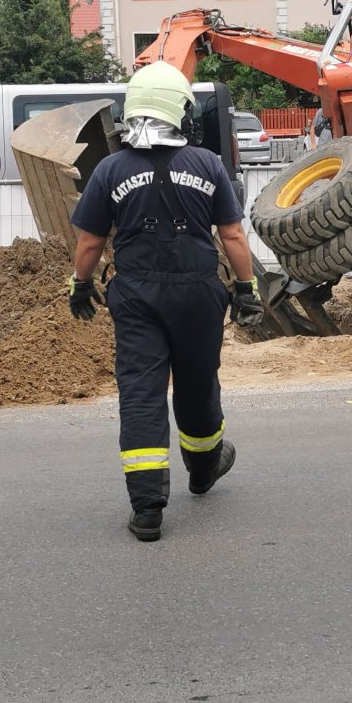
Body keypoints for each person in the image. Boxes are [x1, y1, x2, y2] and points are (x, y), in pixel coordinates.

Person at [66, 62, 265, 542]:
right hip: (198, 294)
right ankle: (204, 467)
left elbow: (90, 241)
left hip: (136, 297)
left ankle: (148, 509)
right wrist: (247, 289)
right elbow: (233, 235)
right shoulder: (207, 164)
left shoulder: (110, 169)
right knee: (198, 384)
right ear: (179, 112)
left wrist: (80, 284)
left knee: (141, 393)